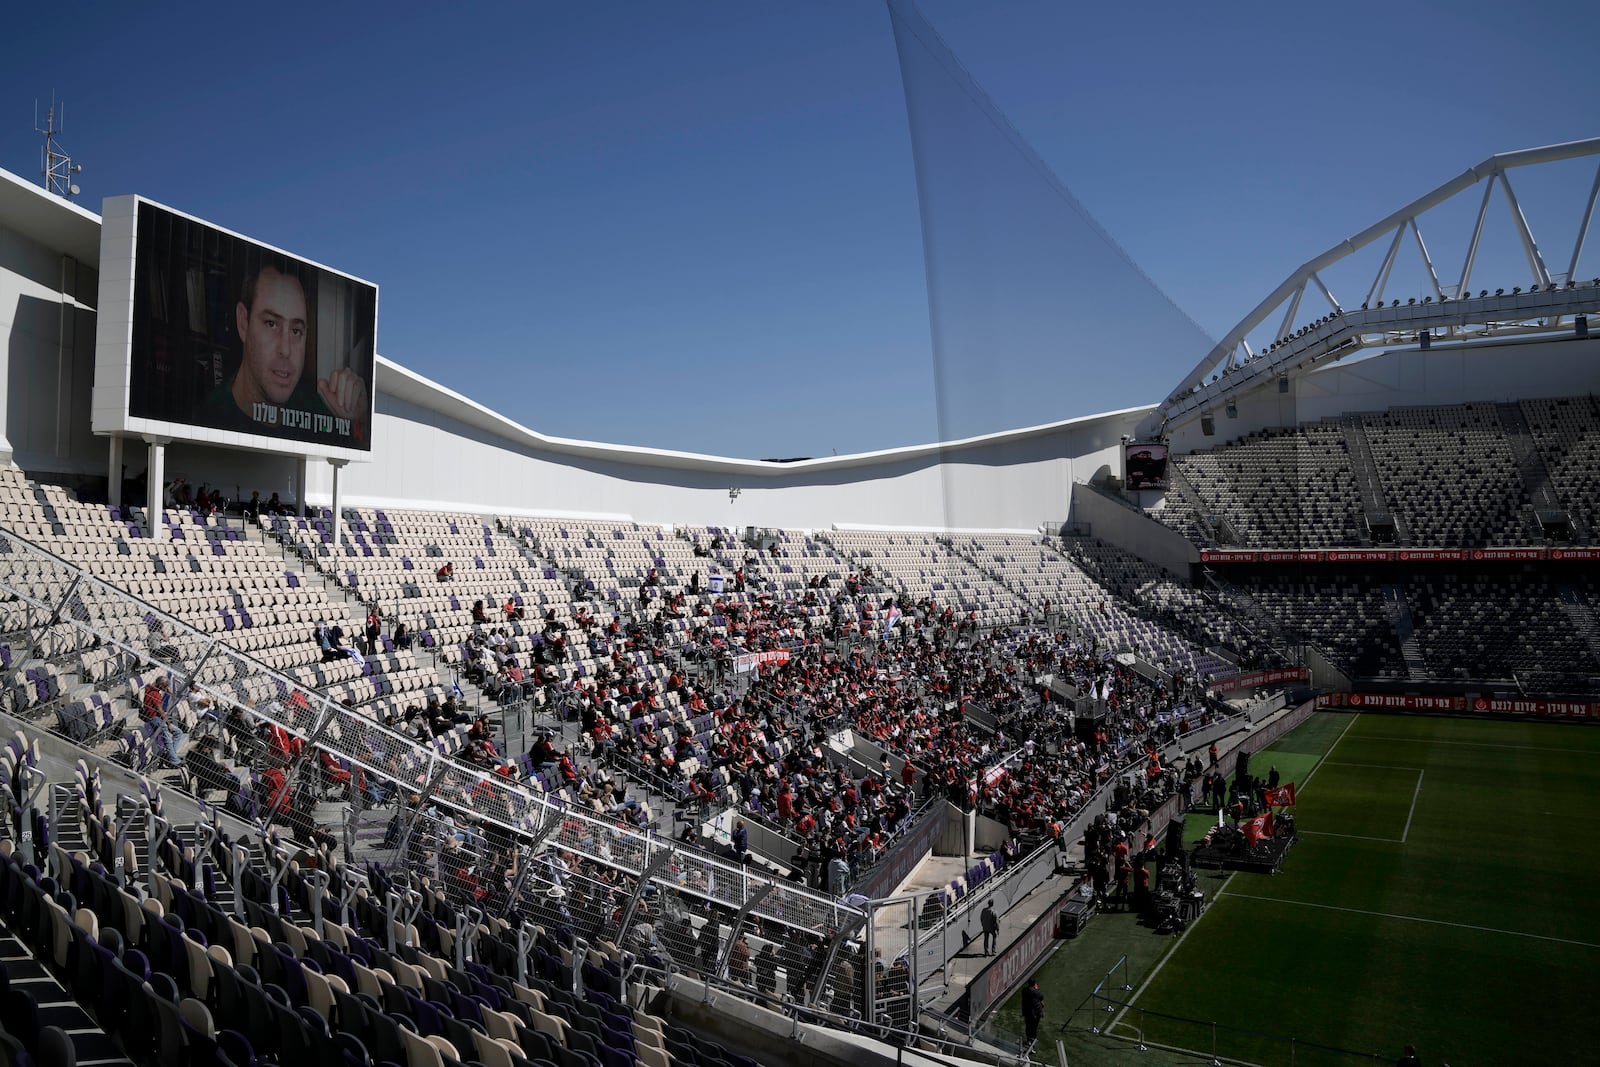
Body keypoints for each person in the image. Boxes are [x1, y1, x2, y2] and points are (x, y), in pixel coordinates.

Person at [203, 256, 368, 439]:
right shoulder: (207, 419)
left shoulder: (316, 410)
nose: (286, 350)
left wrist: (359, 418)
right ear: (243, 322)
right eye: (271, 324)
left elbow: (352, 449)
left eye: (296, 331)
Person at [1021, 978, 1045, 1049]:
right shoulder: (1037, 992)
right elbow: (1041, 997)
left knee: (1028, 1027)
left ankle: (1029, 1040)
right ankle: (1032, 1043)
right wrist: (1037, 989)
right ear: (1035, 984)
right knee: (1034, 1028)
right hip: (1036, 1013)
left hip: (1028, 1012)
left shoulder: (1024, 991)